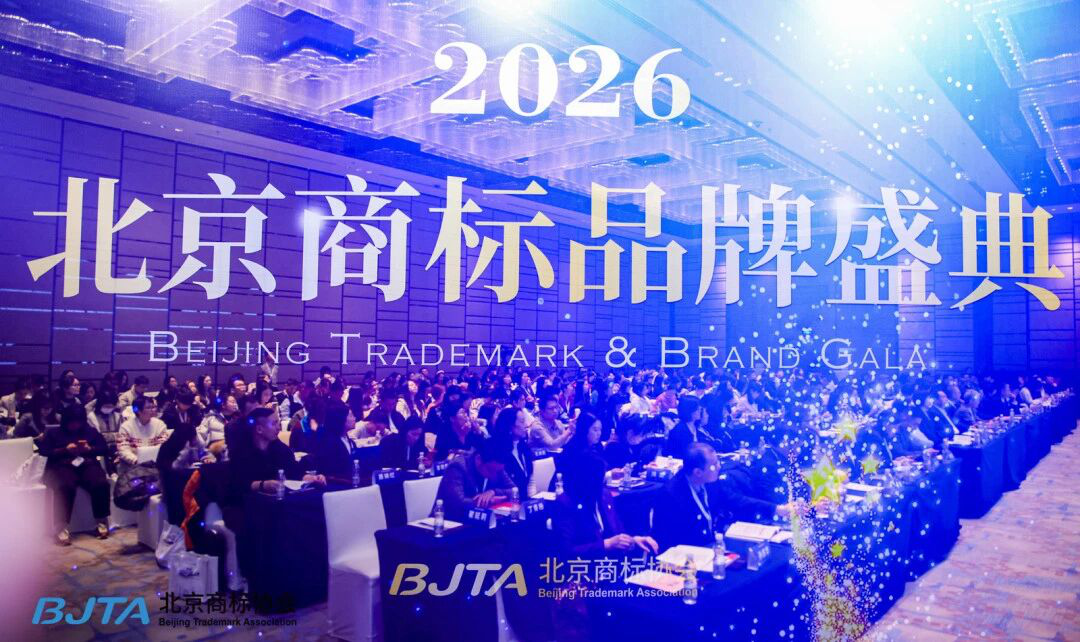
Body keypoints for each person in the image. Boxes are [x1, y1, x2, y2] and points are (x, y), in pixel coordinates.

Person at [40, 405, 111, 544]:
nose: (75, 425)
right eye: (72, 422)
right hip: (61, 466)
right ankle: (60, 526)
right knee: (65, 486)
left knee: (100, 483)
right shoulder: (53, 433)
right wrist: (64, 450)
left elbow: (104, 448)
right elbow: (44, 451)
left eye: (78, 422)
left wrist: (90, 449)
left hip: (86, 463)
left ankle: (101, 521)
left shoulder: (90, 431)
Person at [432, 440, 514, 521]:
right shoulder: (457, 467)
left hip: (480, 520)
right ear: (478, 459)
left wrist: (494, 492)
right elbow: (459, 504)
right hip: (449, 521)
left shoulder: (496, 468)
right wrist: (491, 501)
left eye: (498, 471)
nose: (494, 476)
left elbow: (514, 491)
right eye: (490, 470)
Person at [117, 395, 170, 471]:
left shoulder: (159, 424)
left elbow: (163, 446)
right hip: (132, 467)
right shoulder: (126, 427)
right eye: (149, 407)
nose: (153, 410)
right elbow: (123, 450)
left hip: (154, 465)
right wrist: (137, 461)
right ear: (138, 410)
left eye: (154, 407)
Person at [492, 406, 534, 498]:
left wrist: (532, 498)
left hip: (525, 499)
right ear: (510, 426)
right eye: (522, 422)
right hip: (506, 500)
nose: (526, 425)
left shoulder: (523, 446)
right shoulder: (497, 451)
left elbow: (531, 477)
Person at [311, 401, 357, 481]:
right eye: (351, 415)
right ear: (341, 419)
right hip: (337, 484)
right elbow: (328, 472)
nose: (354, 418)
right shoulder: (328, 443)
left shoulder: (349, 440)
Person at [664, 396, 711, 461]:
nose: (700, 411)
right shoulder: (679, 431)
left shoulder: (696, 427)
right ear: (690, 411)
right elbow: (683, 454)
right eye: (698, 409)